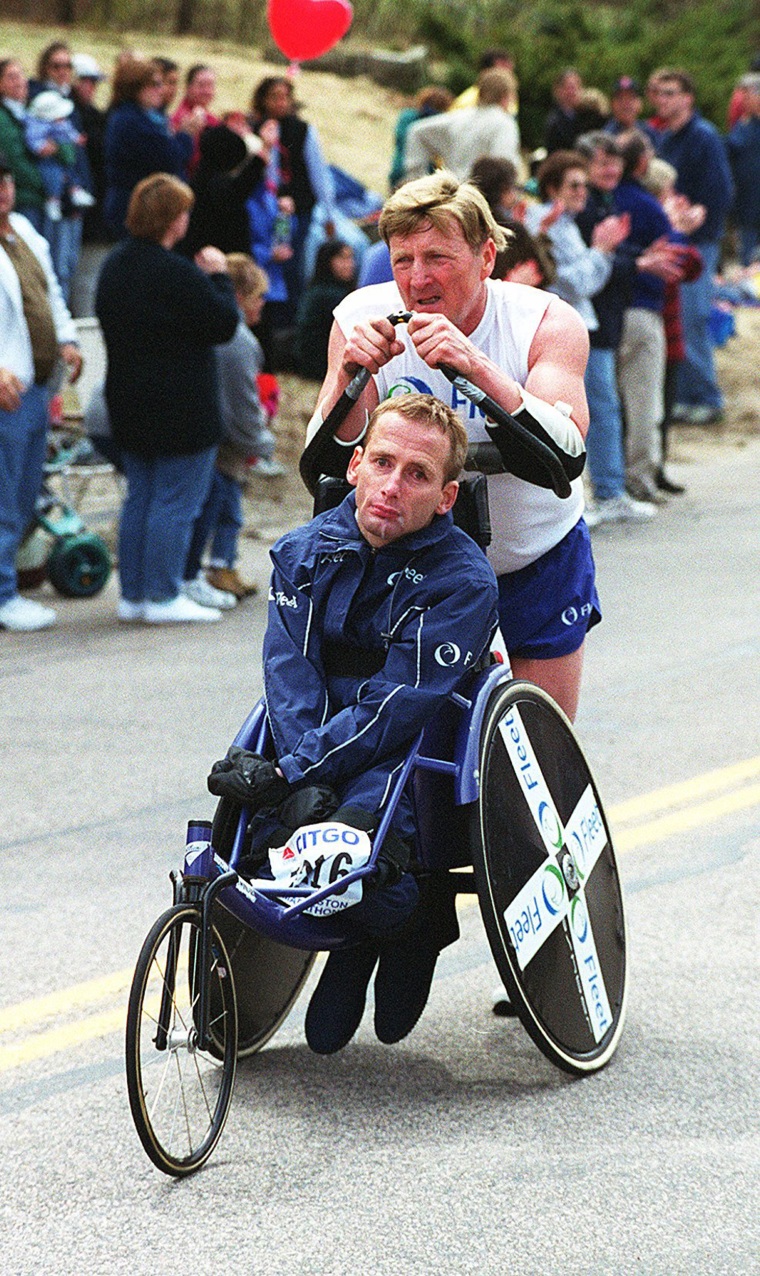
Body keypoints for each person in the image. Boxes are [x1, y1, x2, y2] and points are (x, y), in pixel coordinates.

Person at [208, 393, 499, 1053]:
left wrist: (299, 772)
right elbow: (290, 676)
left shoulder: (464, 583)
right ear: (358, 465)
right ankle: (366, 912)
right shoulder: (302, 551)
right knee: (263, 854)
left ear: (447, 497)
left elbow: (397, 705)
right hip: (311, 735)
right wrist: (291, 775)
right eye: (384, 463)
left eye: (418, 475)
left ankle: (412, 919)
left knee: (355, 863)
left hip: (411, 745)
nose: (394, 487)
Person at [305, 170, 600, 722]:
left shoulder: (544, 321)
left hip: (531, 558)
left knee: (541, 744)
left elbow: (565, 456)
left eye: (438, 257)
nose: (417, 279)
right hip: (413, 568)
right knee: (412, 750)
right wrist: (351, 377)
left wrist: (477, 368)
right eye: (402, 260)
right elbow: (322, 464)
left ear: (486, 257)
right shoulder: (360, 318)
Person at [95, 172, 239, 623]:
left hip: (129, 399)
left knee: (141, 498)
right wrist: (219, 278)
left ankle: (134, 595)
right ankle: (161, 595)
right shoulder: (176, 273)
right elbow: (223, 324)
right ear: (172, 219)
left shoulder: (115, 265)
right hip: (180, 407)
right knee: (175, 503)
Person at [0, 153, 82, 632]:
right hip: (7, 391)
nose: (4, 192)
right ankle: (4, 594)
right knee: (4, 499)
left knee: (25, 492)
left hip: (35, 386)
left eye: (7, 182)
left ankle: (8, 586)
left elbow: (50, 291)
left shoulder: (24, 232)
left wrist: (68, 337)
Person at [184, 253, 280, 604]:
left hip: (221, 439)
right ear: (239, 296)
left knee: (225, 507)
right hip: (224, 445)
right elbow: (241, 408)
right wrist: (264, 443)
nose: (263, 304)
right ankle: (210, 569)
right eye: (258, 297)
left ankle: (218, 566)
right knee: (222, 508)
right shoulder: (239, 341)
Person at [652, 68, 734, 425]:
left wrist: (700, 216)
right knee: (678, 318)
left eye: (670, 93)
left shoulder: (703, 137)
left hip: (698, 241)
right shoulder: (664, 137)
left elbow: (721, 190)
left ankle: (707, 397)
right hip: (673, 237)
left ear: (688, 97)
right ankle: (686, 396)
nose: (663, 99)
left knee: (693, 316)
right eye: (658, 93)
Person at [249, 76, 338, 307]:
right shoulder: (254, 128)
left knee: (292, 262)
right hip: (264, 209)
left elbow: (319, 173)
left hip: (298, 210)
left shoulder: (301, 130)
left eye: (285, 97)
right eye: (274, 97)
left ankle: (289, 314)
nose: (280, 103)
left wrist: (329, 213)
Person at [523, 150, 629, 334]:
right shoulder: (544, 222)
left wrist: (603, 251)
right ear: (552, 189)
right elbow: (570, 283)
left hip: (576, 323)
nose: (582, 192)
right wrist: (600, 251)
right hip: (559, 327)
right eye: (574, 186)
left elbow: (589, 283)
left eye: (584, 186)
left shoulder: (568, 224)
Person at [102, 56, 202, 238]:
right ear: (136, 87)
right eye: (155, 85)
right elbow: (169, 158)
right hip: (132, 209)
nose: (161, 90)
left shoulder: (147, 118)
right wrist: (186, 134)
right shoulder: (131, 121)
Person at [403, 68, 521, 182]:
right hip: (482, 196)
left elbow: (416, 131)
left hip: (453, 191)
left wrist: (417, 179)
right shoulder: (504, 123)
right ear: (506, 97)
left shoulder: (458, 117)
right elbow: (505, 167)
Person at [24, 89, 95, 224]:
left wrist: (76, 139)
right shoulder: (37, 125)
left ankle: (76, 190)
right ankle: (53, 201)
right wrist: (41, 147)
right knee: (53, 177)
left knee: (72, 171)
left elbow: (69, 132)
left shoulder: (62, 123)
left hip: (64, 159)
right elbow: (33, 140)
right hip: (48, 161)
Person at [295, 239, 357, 380]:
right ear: (327, 261)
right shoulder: (326, 295)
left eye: (350, 258)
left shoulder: (325, 289)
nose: (349, 264)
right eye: (342, 258)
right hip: (319, 365)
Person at [0, 59, 47, 231]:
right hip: (23, 199)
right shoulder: (3, 118)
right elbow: (14, 160)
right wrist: (45, 183)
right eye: (12, 77)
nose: (19, 82)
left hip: (37, 197)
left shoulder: (28, 112)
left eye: (21, 76)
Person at [388, 85, 454, 191]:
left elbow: (398, 139)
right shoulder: (437, 123)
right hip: (423, 176)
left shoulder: (407, 116)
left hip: (398, 168)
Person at [725, 74, 760, 267]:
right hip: (747, 205)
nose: (741, 102)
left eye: (747, 96)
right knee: (748, 261)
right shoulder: (743, 124)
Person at [170, 63, 221, 176]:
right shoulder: (182, 119)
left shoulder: (211, 118)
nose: (207, 91)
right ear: (188, 87)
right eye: (201, 85)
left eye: (211, 85)